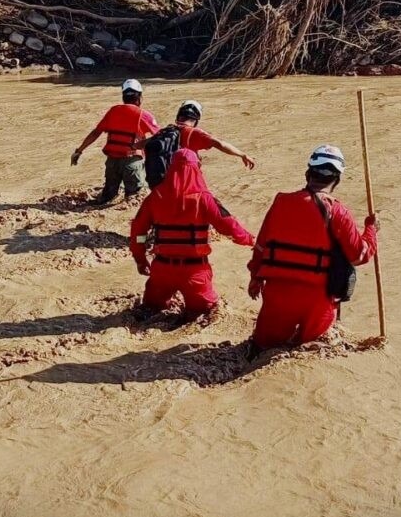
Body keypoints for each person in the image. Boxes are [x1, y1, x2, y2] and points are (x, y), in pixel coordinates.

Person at [247, 144, 378, 352]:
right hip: (318, 299)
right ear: (337, 180)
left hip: (277, 293)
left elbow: (261, 247)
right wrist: (371, 230)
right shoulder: (338, 211)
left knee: (261, 348)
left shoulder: (280, 202)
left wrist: (255, 278)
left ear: (308, 174)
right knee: (312, 350)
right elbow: (359, 255)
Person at [129, 148, 255, 317]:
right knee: (205, 313)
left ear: (171, 168)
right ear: (197, 168)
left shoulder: (155, 196)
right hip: (195, 272)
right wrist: (250, 240)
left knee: (151, 310)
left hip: (161, 270)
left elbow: (138, 232)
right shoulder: (204, 198)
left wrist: (140, 258)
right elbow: (229, 227)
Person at [71, 79, 159, 204]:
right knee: (134, 199)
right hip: (131, 162)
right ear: (139, 98)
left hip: (112, 162)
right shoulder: (143, 115)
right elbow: (161, 136)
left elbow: (96, 133)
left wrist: (79, 151)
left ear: (123, 97)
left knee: (107, 197)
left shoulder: (113, 112)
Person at [172, 99, 255, 169]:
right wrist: (242, 155)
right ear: (196, 121)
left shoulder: (167, 131)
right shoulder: (194, 133)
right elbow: (220, 144)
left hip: (166, 180)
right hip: (186, 179)